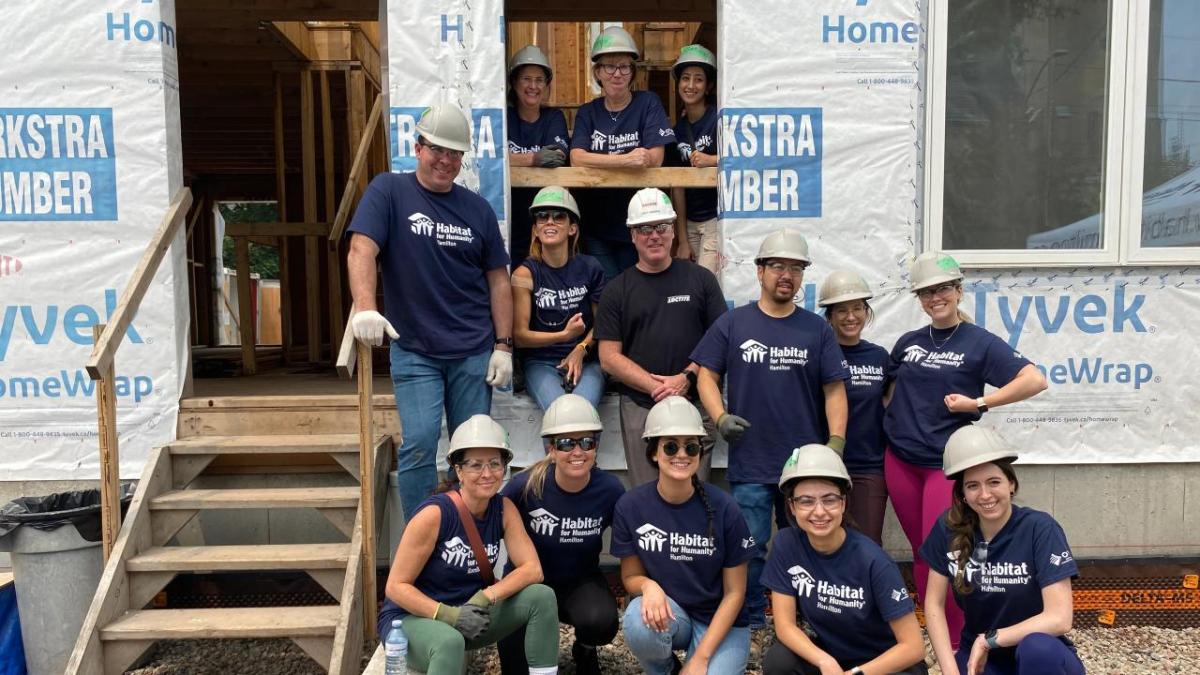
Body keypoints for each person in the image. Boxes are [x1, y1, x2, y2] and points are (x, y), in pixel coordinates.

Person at [347, 102, 514, 520]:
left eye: (454, 153)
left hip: (473, 350)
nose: (445, 160)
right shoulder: (389, 191)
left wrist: (504, 345)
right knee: (420, 444)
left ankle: (470, 538)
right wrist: (365, 309)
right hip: (416, 348)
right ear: (418, 147)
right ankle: (424, 545)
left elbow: (498, 280)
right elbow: (361, 249)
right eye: (437, 149)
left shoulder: (476, 209)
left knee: (474, 448)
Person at [885, 251, 1048, 647]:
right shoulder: (908, 342)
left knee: (946, 552)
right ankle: (932, 631)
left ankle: (957, 642)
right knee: (922, 552)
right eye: (925, 292)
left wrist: (980, 404)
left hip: (946, 466)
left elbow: (1035, 380)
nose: (934, 297)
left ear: (958, 291)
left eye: (942, 289)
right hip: (900, 460)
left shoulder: (980, 343)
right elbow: (888, 392)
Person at [692, 228, 849, 632]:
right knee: (752, 544)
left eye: (795, 268)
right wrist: (720, 416)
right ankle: (751, 616)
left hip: (805, 463)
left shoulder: (816, 329)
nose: (787, 275)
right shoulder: (733, 323)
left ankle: (810, 616)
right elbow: (706, 376)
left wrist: (835, 442)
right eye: (778, 265)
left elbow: (834, 389)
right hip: (753, 460)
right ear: (760, 271)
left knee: (809, 542)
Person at [378, 415, 560, 675]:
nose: (487, 474)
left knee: (541, 596)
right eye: (475, 465)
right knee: (448, 641)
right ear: (459, 470)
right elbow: (396, 587)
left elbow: (533, 570)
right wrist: (448, 615)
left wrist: (484, 597)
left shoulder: (503, 508)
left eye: (495, 464)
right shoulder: (435, 514)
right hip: (414, 618)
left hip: (471, 613)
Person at [920, 426, 1084, 675]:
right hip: (982, 660)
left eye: (993, 482)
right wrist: (950, 670)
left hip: (1040, 658)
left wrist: (989, 639)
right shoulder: (948, 528)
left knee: (1037, 648)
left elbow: (1060, 618)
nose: (985, 494)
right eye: (973, 486)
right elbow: (933, 602)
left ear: (1011, 484)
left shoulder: (1039, 528)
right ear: (963, 494)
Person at [611, 396, 756, 675]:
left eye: (691, 446)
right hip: (673, 615)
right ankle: (666, 670)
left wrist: (701, 659)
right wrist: (648, 587)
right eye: (670, 446)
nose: (682, 455)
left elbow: (736, 593)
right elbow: (630, 577)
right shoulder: (631, 507)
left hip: (721, 620)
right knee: (636, 619)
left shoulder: (725, 508)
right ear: (653, 452)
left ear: (700, 452)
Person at [595, 188, 727, 487]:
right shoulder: (617, 290)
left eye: (661, 227)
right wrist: (658, 386)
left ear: (672, 230)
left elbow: (720, 341)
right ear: (632, 235)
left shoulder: (701, 279)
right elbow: (609, 357)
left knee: (694, 496)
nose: (653, 235)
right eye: (644, 228)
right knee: (647, 499)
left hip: (695, 403)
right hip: (641, 406)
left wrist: (687, 377)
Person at [762, 444, 927, 675]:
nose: (819, 512)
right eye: (806, 501)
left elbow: (913, 647)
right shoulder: (786, 545)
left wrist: (856, 674)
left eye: (829, 500)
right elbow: (785, 626)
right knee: (779, 661)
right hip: (834, 659)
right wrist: (823, 661)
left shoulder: (873, 561)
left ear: (843, 503)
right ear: (791, 506)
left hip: (884, 665)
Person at [497, 394, 625, 675]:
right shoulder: (525, 486)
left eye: (587, 442)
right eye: (566, 443)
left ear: (596, 447)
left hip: (578, 582)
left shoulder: (610, 490)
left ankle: (586, 650)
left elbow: (631, 544)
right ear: (551, 448)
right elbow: (487, 523)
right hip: (526, 584)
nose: (577, 451)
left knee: (601, 621)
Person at [570, 26, 675, 280]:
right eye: (609, 66)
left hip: (639, 225)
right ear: (597, 72)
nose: (617, 73)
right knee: (607, 293)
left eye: (624, 66)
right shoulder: (588, 112)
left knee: (637, 290)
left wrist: (604, 161)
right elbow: (576, 158)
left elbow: (655, 156)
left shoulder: (647, 103)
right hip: (597, 225)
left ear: (632, 72)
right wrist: (626, 159)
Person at [511, 186, 607, 410]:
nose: (549, 222)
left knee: (582, 411)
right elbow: (520, 336)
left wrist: (580, 348)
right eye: (542, 217)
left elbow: (603, 323)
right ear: (535, 229)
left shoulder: (591, 267)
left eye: (559, 216)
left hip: (587, 360)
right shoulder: (523, 274)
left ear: (572, 228)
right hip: (541, 362)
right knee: (559, 413)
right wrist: (564, 335)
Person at [818, 269, 890, 545]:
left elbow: (889, 405)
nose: (851, 317)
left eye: (858, 308)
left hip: (869, 466)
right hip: (826, 463)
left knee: (867, 542)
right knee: (825, 540)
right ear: (830, 318)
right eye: (842, 311)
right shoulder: (820, 355)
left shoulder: (880, 357)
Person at [506, 45, 569, 267]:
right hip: (508, 215)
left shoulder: (553, 117)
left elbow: (556, 156)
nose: (533, 86)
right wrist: (533, 159)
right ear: (514, 83)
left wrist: (512, 159)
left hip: (544, 218)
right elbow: (491, 157)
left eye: (539, 80)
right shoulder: (503, 117)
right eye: (526, 79)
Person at [668, 44, 720, 273]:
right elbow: (677, 186)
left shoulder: (718, 118)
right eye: (685, 78)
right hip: (689, 224)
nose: (690, 85)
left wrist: (711, 160)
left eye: (698, 79)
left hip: (715, 220)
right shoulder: (677, 129)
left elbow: (744, 157)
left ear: (708, 86)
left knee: (706, 281)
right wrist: (682, 240)